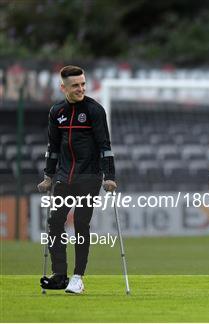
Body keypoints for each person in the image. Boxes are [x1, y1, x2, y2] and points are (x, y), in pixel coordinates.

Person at [37, 65, 117, 294]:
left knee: (81, 224)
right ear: (63, 87)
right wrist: (48, 176)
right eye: (75, 85)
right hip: (64, 176)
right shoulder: (56, 111)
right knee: (54, 222)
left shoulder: (95, 110)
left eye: (83, 84)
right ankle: (59, 275)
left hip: (89, 176)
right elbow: (52, 147)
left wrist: (109, 176)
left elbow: (105, 146)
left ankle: (78, 277)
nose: (81, 88)